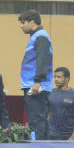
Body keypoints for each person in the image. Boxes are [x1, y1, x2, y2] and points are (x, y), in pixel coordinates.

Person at [18, 9, 53, 140]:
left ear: (32, 22)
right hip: (35, 84)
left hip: (36, 86)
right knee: (38, 120)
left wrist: (37, 81)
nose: (21, 26)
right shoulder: (38, 36)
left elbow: (42, 59)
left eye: (23, 22)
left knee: (36, 121)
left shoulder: (40, 37)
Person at [47, 67, 74, 140]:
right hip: (51, 135)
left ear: (67, 78)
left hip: (68, 136)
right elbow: (46, 113)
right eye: (55, 76)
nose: (56, 79)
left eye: (59, 77)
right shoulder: (50, 93)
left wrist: (73, 137)